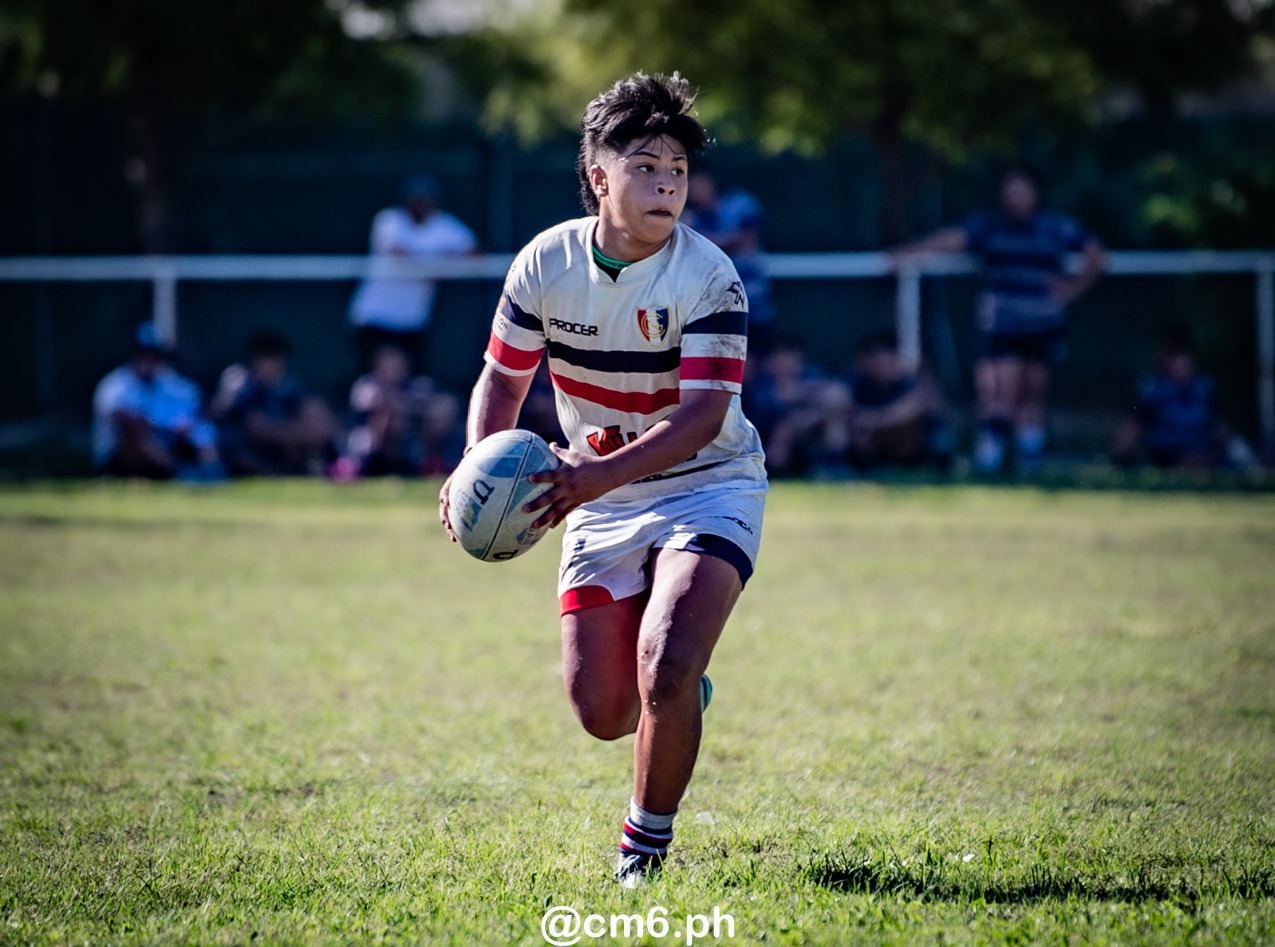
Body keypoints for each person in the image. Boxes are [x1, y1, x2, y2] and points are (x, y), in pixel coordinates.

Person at [438, 72, 767, 887]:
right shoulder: (544, 262)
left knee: (667, 658)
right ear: (598, 176)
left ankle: (642, 849)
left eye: (677, 171)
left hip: (707, 480)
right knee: (604, 710)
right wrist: (479, 466)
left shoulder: (710, 276)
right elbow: (502, 379)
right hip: (600, 491)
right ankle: (678, 693)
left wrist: (592, 475)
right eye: (645, 167)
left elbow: (702, 417)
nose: (666, 185)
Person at [891, 165, 1106, 473]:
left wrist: (1073, 289)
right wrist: (905, 253)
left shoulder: (1056, 226)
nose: (1016, 197)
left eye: (1022, 190)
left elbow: (1096, 254)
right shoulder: (990, 226)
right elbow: (950, 240)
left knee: (1033, 389)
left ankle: (1030, 456)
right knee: (998, 387)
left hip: (1043, 322)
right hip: (1003, 322)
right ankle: (990, 456)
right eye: (1011, 191)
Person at [347, 174, 479, 371]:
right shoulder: (389, 220)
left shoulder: (443, 225)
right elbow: (400, 254)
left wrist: (438, 265)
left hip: (412, 319)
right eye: (416, 199)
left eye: (425, 200)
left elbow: (475, 253)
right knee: (371, 377)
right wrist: (442, 262)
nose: (420, 205)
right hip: (374, 316)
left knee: (415, 379)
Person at [1111, 323, 1259, 471]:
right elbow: (1132, 429)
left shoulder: (1205, 388)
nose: (1179, 362)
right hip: (1167, 458)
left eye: (1182, 354)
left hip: (1203, 456)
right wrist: (1121, 455)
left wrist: (1234, 450)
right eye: (1172, 355)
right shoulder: (1152, 390)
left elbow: (1220, 428)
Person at [91, 324, 222, 480]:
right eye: (144, 353)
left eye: (154, 354)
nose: (149, 359)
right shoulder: (116, 384)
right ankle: (178, 473)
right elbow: (120, 418)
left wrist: (180, 425)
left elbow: (191, 406)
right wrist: (157, 424)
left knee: (198, 426)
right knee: (134, 428)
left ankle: (213, 472)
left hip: (164, 446)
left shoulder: (168, 383)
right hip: (119, 457)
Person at [212, 331, 340, 477]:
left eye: (276, 358)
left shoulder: (286, 383)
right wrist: (292, 435)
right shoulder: (239, 380)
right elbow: (255, 427)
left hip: (278, 444)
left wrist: (296, 433)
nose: (272, 364)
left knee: (314, 415)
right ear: (255, 359)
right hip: (239, 450)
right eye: (266, 357)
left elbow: (322, 423)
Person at [681, 169, 776, 354]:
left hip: (752, 296)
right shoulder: (688, 216)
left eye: (698, 182)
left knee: (758, 352)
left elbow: (747, 238)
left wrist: (706, 242)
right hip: (714, 304)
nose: (696, 189)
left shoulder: (741, 203)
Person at [340, 345, 463, 477]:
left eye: (397, 363)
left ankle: (435, 465)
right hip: (371, 442)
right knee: (386, 419)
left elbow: (440, 406)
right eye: (388, 363)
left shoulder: (418, 384)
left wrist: (405, 408)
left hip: (410, 439)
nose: (393, 368)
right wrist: (405, 406)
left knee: (435, 419)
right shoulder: (366, 384)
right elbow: (374, 403)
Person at [742, 337, 852, 478]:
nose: (786, 363)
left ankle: (833, 466)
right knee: (785, 429)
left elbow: (838, 394)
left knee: (833, 421)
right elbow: (768, 406)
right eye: (780, 357)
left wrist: (809, 413)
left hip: (810, 430)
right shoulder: (760, 381)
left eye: (790, 357)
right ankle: (776, 471)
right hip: (766, 438)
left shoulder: (811, 374)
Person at [846, 331, 951, 471]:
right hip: (878, 447)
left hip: (923, 448)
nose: (879, 365)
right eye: (874, 359)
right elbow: (839, 403)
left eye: (885, 359)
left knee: (908, 427)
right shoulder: (861, 384)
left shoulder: (913, 380)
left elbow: (909, 409)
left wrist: (871, 421)